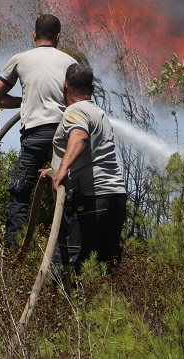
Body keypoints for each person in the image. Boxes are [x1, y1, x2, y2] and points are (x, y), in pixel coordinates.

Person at [0, 14, 77, 250]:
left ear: (34, 35)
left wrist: (26, 101)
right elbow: (78, 105)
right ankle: (66, 254)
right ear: (58, 37)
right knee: (66, 191)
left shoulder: (20, 59)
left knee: (19, 190)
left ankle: (13, 250)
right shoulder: (71, 63)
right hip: (64, 135)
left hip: (35, 135)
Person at [49, 62, 127, 272]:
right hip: (115, 198)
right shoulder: (98, 113)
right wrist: (52, 171)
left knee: (74, 267)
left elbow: (79, 137)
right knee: (104, 267)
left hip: (91, 199)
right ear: (92, 89)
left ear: (65, 86)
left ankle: (65, 294)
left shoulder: (75, 111)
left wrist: (62, 170)